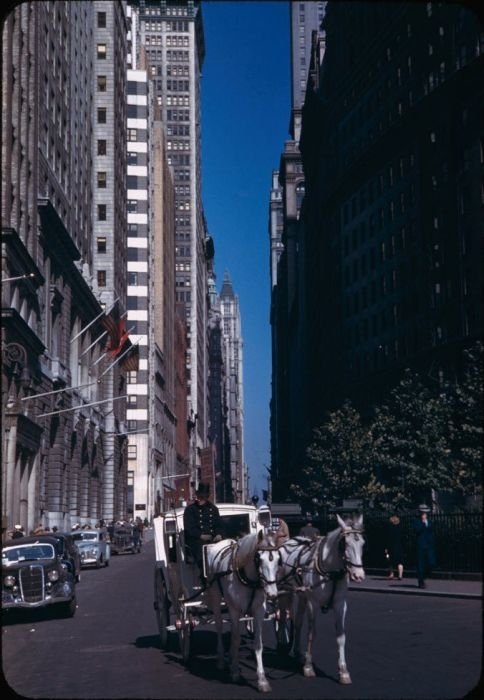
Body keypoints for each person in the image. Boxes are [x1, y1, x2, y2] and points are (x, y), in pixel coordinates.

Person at [183, 482, 223, 583]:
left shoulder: (213, 509)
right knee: (202, 550)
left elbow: (218, 524)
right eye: (200, 496)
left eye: (203, 497)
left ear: (207, 497)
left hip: (213, 539)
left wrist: (218, 534)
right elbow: (189, 528)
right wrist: (201, 535)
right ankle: (204, 576)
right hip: (196, 540)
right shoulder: (190, 510)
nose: (201, 499)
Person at [414, 504, 436, 588]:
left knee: (431, 563)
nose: (425, 515)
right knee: (421, 564)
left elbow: (431, 532)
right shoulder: (417, 522)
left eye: (425, 513)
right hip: (420, 545)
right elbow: (417, 531)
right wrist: (423, 523)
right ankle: (421, 581)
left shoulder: (429, 522)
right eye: (423, 513)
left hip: (429, 545)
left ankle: (425, 576)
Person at [385, 515, 404, 580]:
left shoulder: (389, 529)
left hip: (391, 547)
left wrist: (386, 548)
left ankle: (391, 573)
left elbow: (387, 539)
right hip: (399, 547)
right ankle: (400, 575)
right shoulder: (400, 528)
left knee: (390, 561)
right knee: (400, 561)